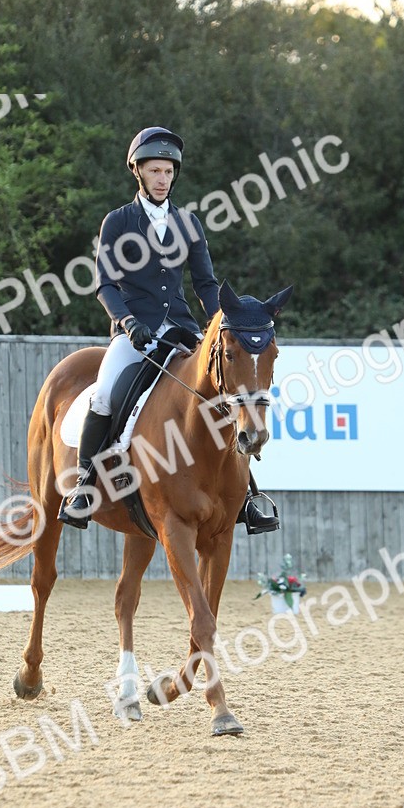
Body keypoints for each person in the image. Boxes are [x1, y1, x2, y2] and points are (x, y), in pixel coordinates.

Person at [58, 126, 278, 533]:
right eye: (155, 171)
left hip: (181, 329)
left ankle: (246, 495)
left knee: (222, 392)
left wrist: (220, 326)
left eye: (168, 172)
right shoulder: (118, 221)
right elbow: (105, 283)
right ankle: (84, 488)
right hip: (133, 334)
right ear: (138, 172)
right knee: (105, 394)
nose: (163, 179)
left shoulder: (188, 223)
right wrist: (127, 322)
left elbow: (206, 284)